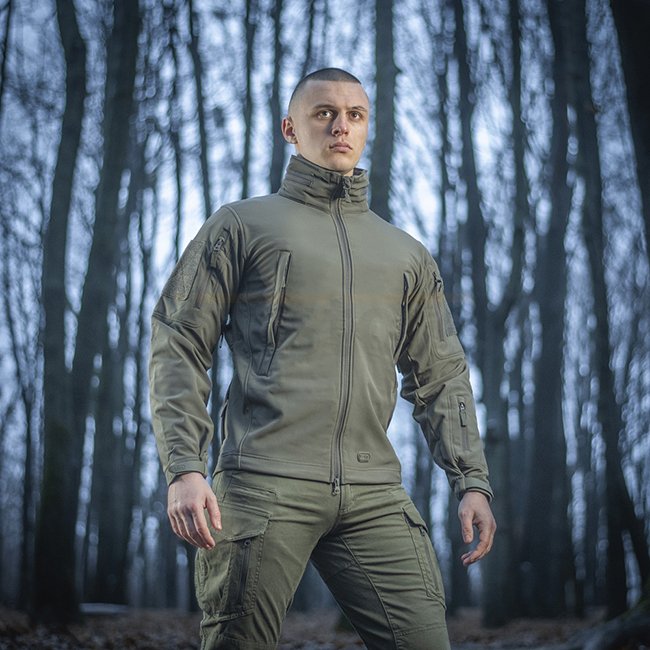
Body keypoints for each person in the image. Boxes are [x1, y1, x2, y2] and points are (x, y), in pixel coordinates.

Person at [149, 67, 496, 650]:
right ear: (291, 128)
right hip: (262, 484)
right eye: (324, 113)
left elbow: (440, 374)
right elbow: (179, 340)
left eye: (355, 115)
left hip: (374, 492)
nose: (341, 126)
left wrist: (472, 481)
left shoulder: (406, 255)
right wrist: (185, 467)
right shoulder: (241, 226)